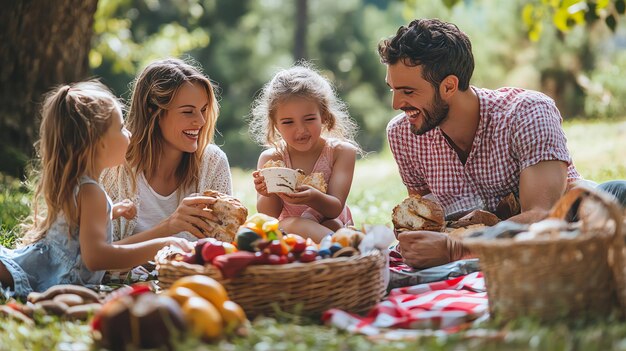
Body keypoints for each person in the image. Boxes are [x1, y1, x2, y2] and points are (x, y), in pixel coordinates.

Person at [378, 18, 626, 269]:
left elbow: (544, 216)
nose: (396, 104)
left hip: (565, 237)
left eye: (408, 92)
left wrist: (457, 248)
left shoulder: (527, 112)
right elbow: (423, 217)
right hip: (484, 262)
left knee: (616, 192)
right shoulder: (403, 134)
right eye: (392, 90)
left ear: (449, 86)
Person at [0, 81, 193, 296]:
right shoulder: (92, 193)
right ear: (98, 142)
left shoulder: (82, 186)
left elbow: (78, 224)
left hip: (44, 265)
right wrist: (161, 244)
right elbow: (96, 257)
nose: (128, 134)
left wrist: (112, 211)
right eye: (121, 128)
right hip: (45, 273)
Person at [101, 58, 233, 242]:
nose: (201, 121)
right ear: (151, 112)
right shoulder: (114, 169)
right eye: (188, 111)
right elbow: (99, 257)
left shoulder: (213, 162)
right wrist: (168, 227)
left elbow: (224, 245)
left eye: (203, 110)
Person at [249, 64, 361, 242]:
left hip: (330, 224)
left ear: (324, 115)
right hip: (290, 234)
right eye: (288, 122)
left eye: (309, 119)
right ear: (275, 124)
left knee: (334, 224)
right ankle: (346, 248)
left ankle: (340, 249)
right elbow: (268, 215)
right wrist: (268, 192)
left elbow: (334, 208)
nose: (300, 130)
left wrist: (312, 197)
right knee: (293, 224)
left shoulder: (341, 152)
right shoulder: (272, 158)